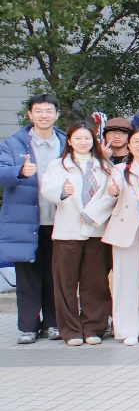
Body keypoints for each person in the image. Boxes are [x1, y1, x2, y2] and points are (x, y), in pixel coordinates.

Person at [81, 128, 139, 345]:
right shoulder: (119, 169)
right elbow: (114, 189)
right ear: (129, 146)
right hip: (124, 229)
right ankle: (127, 329)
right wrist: (113, 190)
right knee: (124, 281)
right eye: (136, 141)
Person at [0, 94, 66, 343]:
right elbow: (1, 172)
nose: (44, 115)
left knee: (55, 274)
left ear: (57, 114)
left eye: (49, 111)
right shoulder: (13, 143)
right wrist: (19, 171)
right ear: (30, 115)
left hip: (60, 220)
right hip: (26, 220)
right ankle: (27, 327)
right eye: (38, 111)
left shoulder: (66, 141)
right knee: (27, 275)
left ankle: (53, 323)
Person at [41, 122, 111, 346]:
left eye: (87, 138)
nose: (83, 142)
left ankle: (94, 328)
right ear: (69, 141)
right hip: (67, 231)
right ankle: (71, 330)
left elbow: (112, 195)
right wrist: (62, 191)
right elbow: (47, 189)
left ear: (94, 141)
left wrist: (93, 214)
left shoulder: (104, 165)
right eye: (78, 138)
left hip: (96, 230)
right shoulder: (57, 165)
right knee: (65, 283)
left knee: (96, 282)